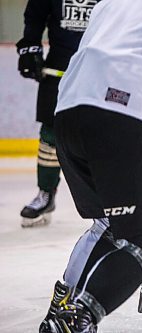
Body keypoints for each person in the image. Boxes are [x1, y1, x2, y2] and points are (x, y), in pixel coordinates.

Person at [38, 0, 142, 332]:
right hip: (117, 110)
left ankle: (64, 305)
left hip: (69, 113)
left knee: (108, 223)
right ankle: (74, 321)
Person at [16, 0, 101, 228]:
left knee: (104, 131)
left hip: (102, 66)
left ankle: (110, 198)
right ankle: (45, 193)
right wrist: (30, 48)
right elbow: (35, 15)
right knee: (51, 134)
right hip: (60, 66)